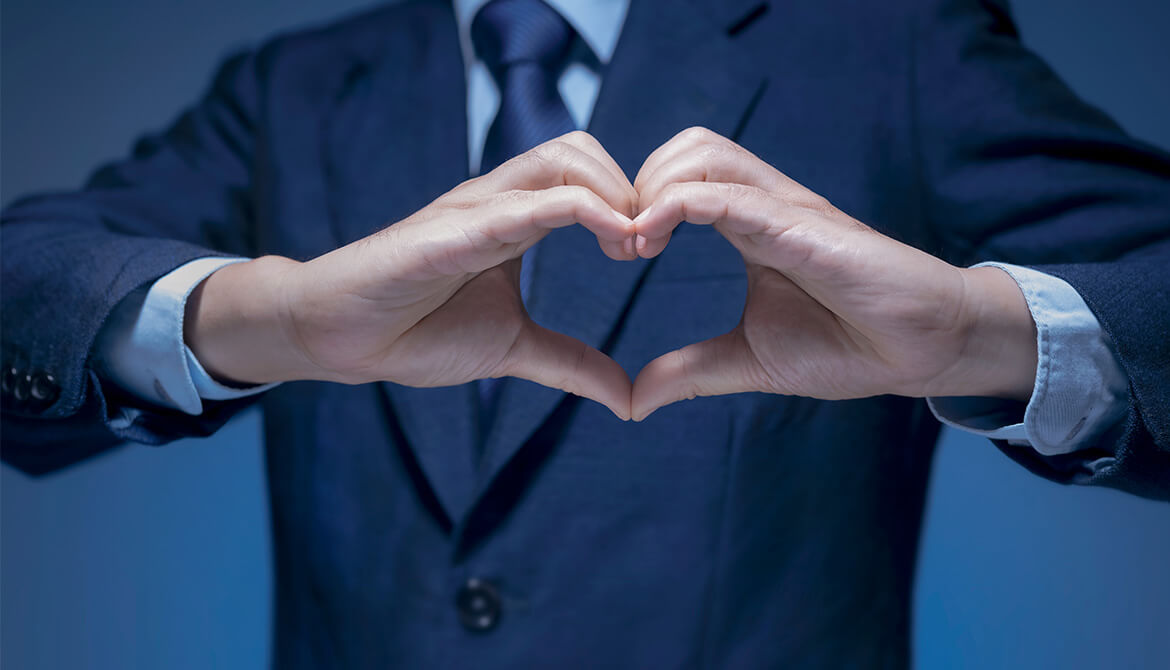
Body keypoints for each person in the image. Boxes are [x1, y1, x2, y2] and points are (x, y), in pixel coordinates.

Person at [2, 0, 1167, 665]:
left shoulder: (893, 45)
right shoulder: (294, 87)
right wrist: (268, 315)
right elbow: (27, 283)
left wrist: (986, 336)